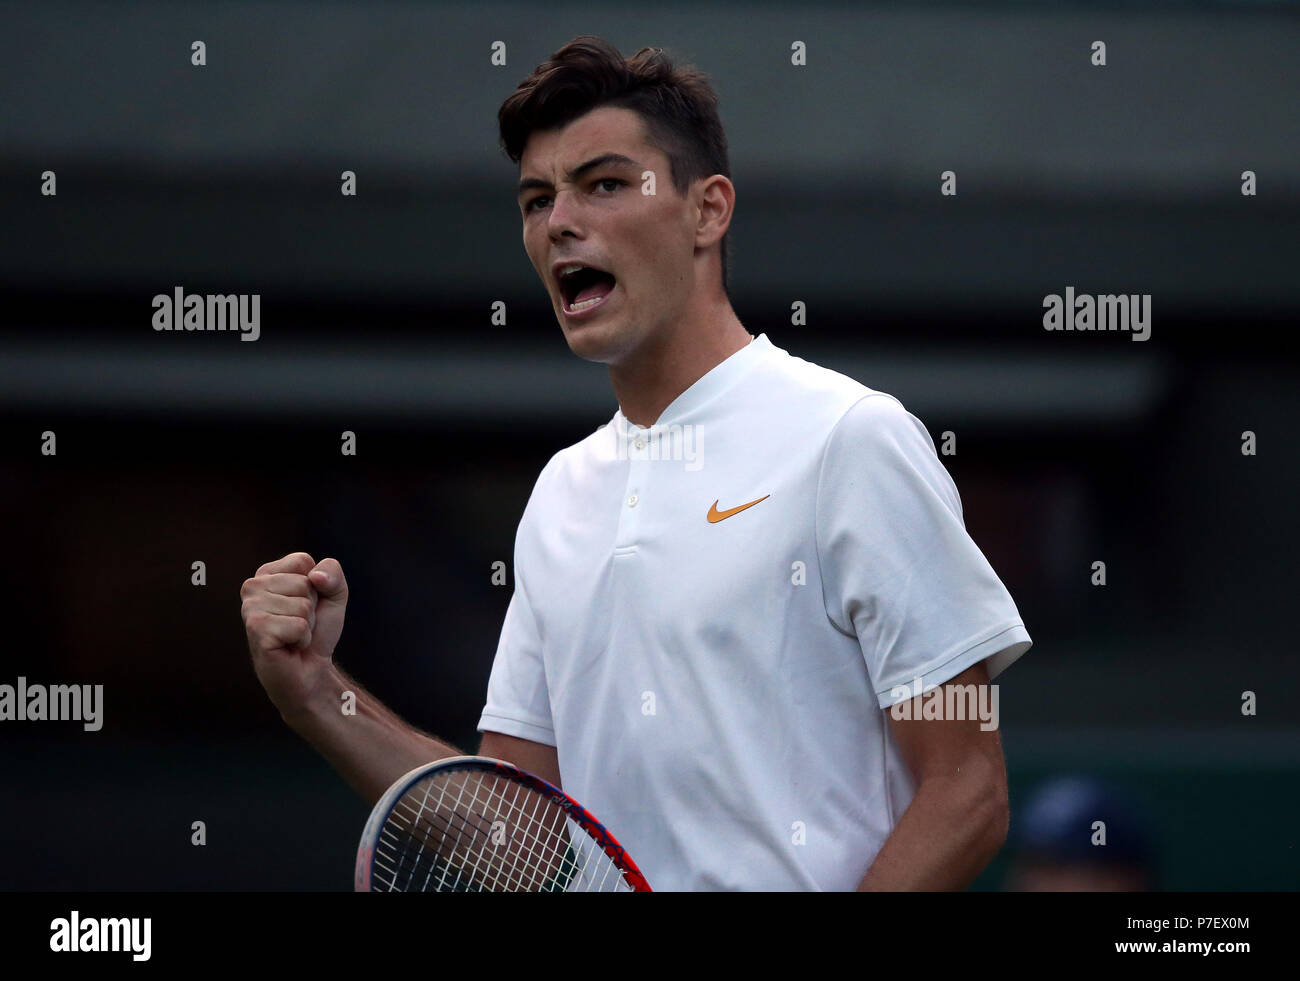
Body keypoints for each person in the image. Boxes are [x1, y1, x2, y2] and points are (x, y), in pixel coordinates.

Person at [240, 35, 1032, 890]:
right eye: (536, 200)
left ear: (708, 210)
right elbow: (523, 833)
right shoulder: (558, 497)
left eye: (605, 184)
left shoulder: (850, 437)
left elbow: (967, 789)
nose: (560, 222)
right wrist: (318, 695)